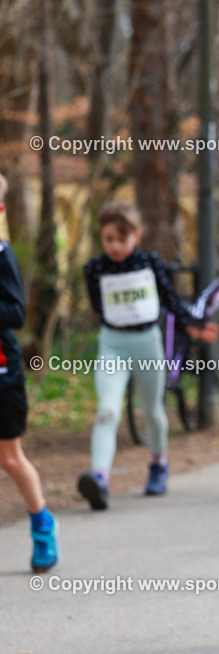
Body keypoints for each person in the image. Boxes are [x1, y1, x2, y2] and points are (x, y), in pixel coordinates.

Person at [78, 201, 219, 510]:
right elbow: (99, 308)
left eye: (122, 239)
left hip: (147, 343)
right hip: (112, 344)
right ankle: (99, 478)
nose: (115, 246)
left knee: (152, 409)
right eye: (108, 239)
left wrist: (193, 326)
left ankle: (158, 463)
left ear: (137, 235)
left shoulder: (149, 263)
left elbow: (169, 300)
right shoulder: (94, 269)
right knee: (107, 410)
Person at [0, 171, 59, 572]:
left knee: (10, 459)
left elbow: (17, 312)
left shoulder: (1, 253)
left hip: (2, 371)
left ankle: (42, 525)